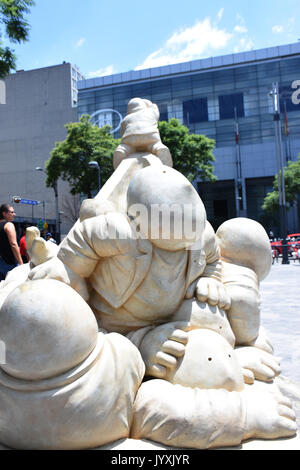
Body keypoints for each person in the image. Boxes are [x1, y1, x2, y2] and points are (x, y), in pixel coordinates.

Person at [0, 204, 23, 280]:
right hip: (9, 262)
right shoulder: (8, 225)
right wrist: (21, 263)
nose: (14, 214)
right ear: (4, 214)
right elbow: (13, 244)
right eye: (12, 212)